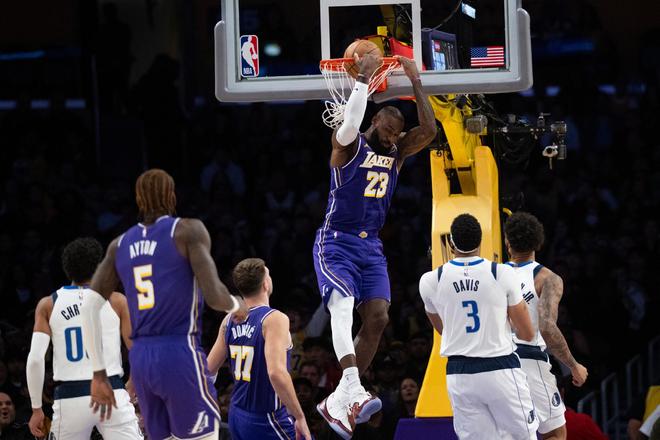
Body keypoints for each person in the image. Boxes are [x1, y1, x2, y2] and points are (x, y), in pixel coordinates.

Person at [312, 51, 437, 439]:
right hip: (336, 242)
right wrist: (363, 79)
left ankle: (339, 398)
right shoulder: (347, 146)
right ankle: (351, 386)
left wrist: (416, 81)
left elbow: (429, 130)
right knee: (342, 305)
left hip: (371, 248)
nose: (394, 137)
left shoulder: (396, 152)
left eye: (398, 133)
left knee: (379, 318)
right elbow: (350, 121)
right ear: (376, 121)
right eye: (389, 130)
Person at [81, 169, 248, 440]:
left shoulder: (119, 244)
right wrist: (237, 304)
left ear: (138, 199)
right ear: (172, 196)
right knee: (204, 435)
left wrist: (99, 374)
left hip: (140, 359)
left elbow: (89, 305)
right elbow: (215, 295)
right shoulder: (186, 231)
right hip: (177, 350)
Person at [418, 213, 539, 439]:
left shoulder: (430, 280)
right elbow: (527, 333)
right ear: (481, 240)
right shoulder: (502, 273)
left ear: (451, 242)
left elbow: (443, 330)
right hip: (500, 367)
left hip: (460, 373)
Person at [26, 237, 141, 440]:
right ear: (99, 266)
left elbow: (35, 360)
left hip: (70, 399)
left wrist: (36, 409)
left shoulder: (48, 304)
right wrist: (133, 381)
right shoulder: (116, 300)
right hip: (112, 391)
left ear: (66, 268)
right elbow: (138, 350)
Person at [504, 212, 589, 440]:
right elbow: (547, 328)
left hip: (493, 364)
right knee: (556, 433)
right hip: (528, 360)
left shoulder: (493, 275)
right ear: (538, 243)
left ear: (507, 242)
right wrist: (573, 366)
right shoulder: (547, 278)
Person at [206, 258, 311, 440]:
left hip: (236, 414)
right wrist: (299, 416)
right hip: (266, 417)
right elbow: (276, 373)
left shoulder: (229, 320)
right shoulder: (274, 319)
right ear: (265, 284)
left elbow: (207, 371)